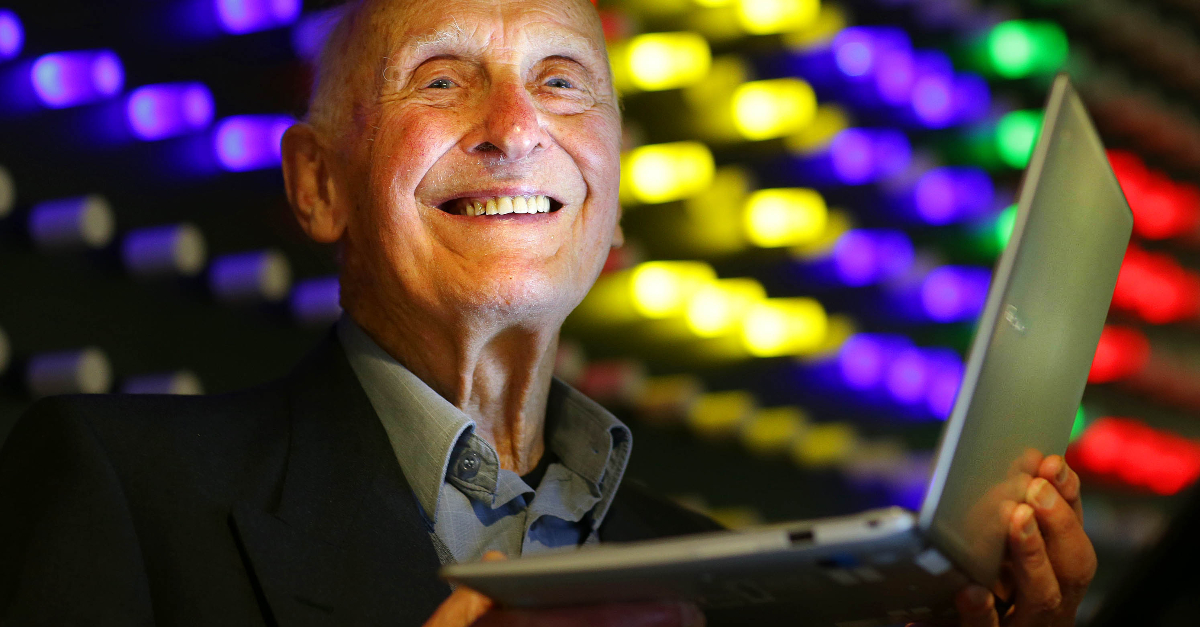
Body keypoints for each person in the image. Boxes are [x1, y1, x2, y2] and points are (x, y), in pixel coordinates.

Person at [0, 0, 1096, 626]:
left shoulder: (721, 574)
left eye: (564, 81)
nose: (515, 125)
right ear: (318, 184)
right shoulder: (117, 487)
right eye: (439, 79)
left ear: (607, 197)